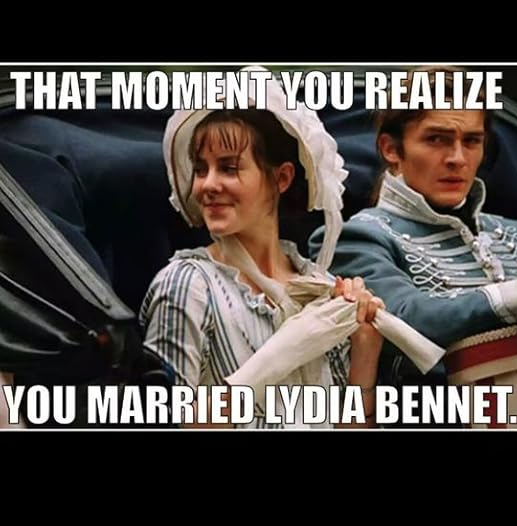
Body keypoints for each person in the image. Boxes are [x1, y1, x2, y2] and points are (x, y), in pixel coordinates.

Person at [139, 66, 385, 429]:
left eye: (228, 168)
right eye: (201, 169)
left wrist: (365, 351)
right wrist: (282, 354)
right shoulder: (188, 285)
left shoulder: (318, 289)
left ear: (281, 178)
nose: (208, 185)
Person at [309, 66, 517, 426]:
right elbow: (408, 316)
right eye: (436, 139)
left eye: (472, 141)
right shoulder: (355, 238)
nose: (457, 158)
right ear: (391, 149)